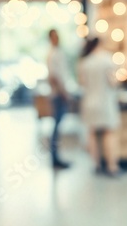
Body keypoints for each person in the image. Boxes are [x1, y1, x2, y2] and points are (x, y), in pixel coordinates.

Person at [78, 37, 121, 176]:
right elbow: (112, 82)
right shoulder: (107, 59)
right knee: (109, 133)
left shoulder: (85, 62)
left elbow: (82, 83)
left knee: (92, 133)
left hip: (89, 103)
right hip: (105, 102)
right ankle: (112, 167)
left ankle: (96, 165)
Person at [46, 29, 71, 168]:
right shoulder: (52, 55)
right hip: (58, 95)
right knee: (56, 127)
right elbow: (53, 77)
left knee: (57, 126)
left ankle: (56, 156)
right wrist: (63, 93)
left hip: (60, 93)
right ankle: (55, 158)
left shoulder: (58, 53)